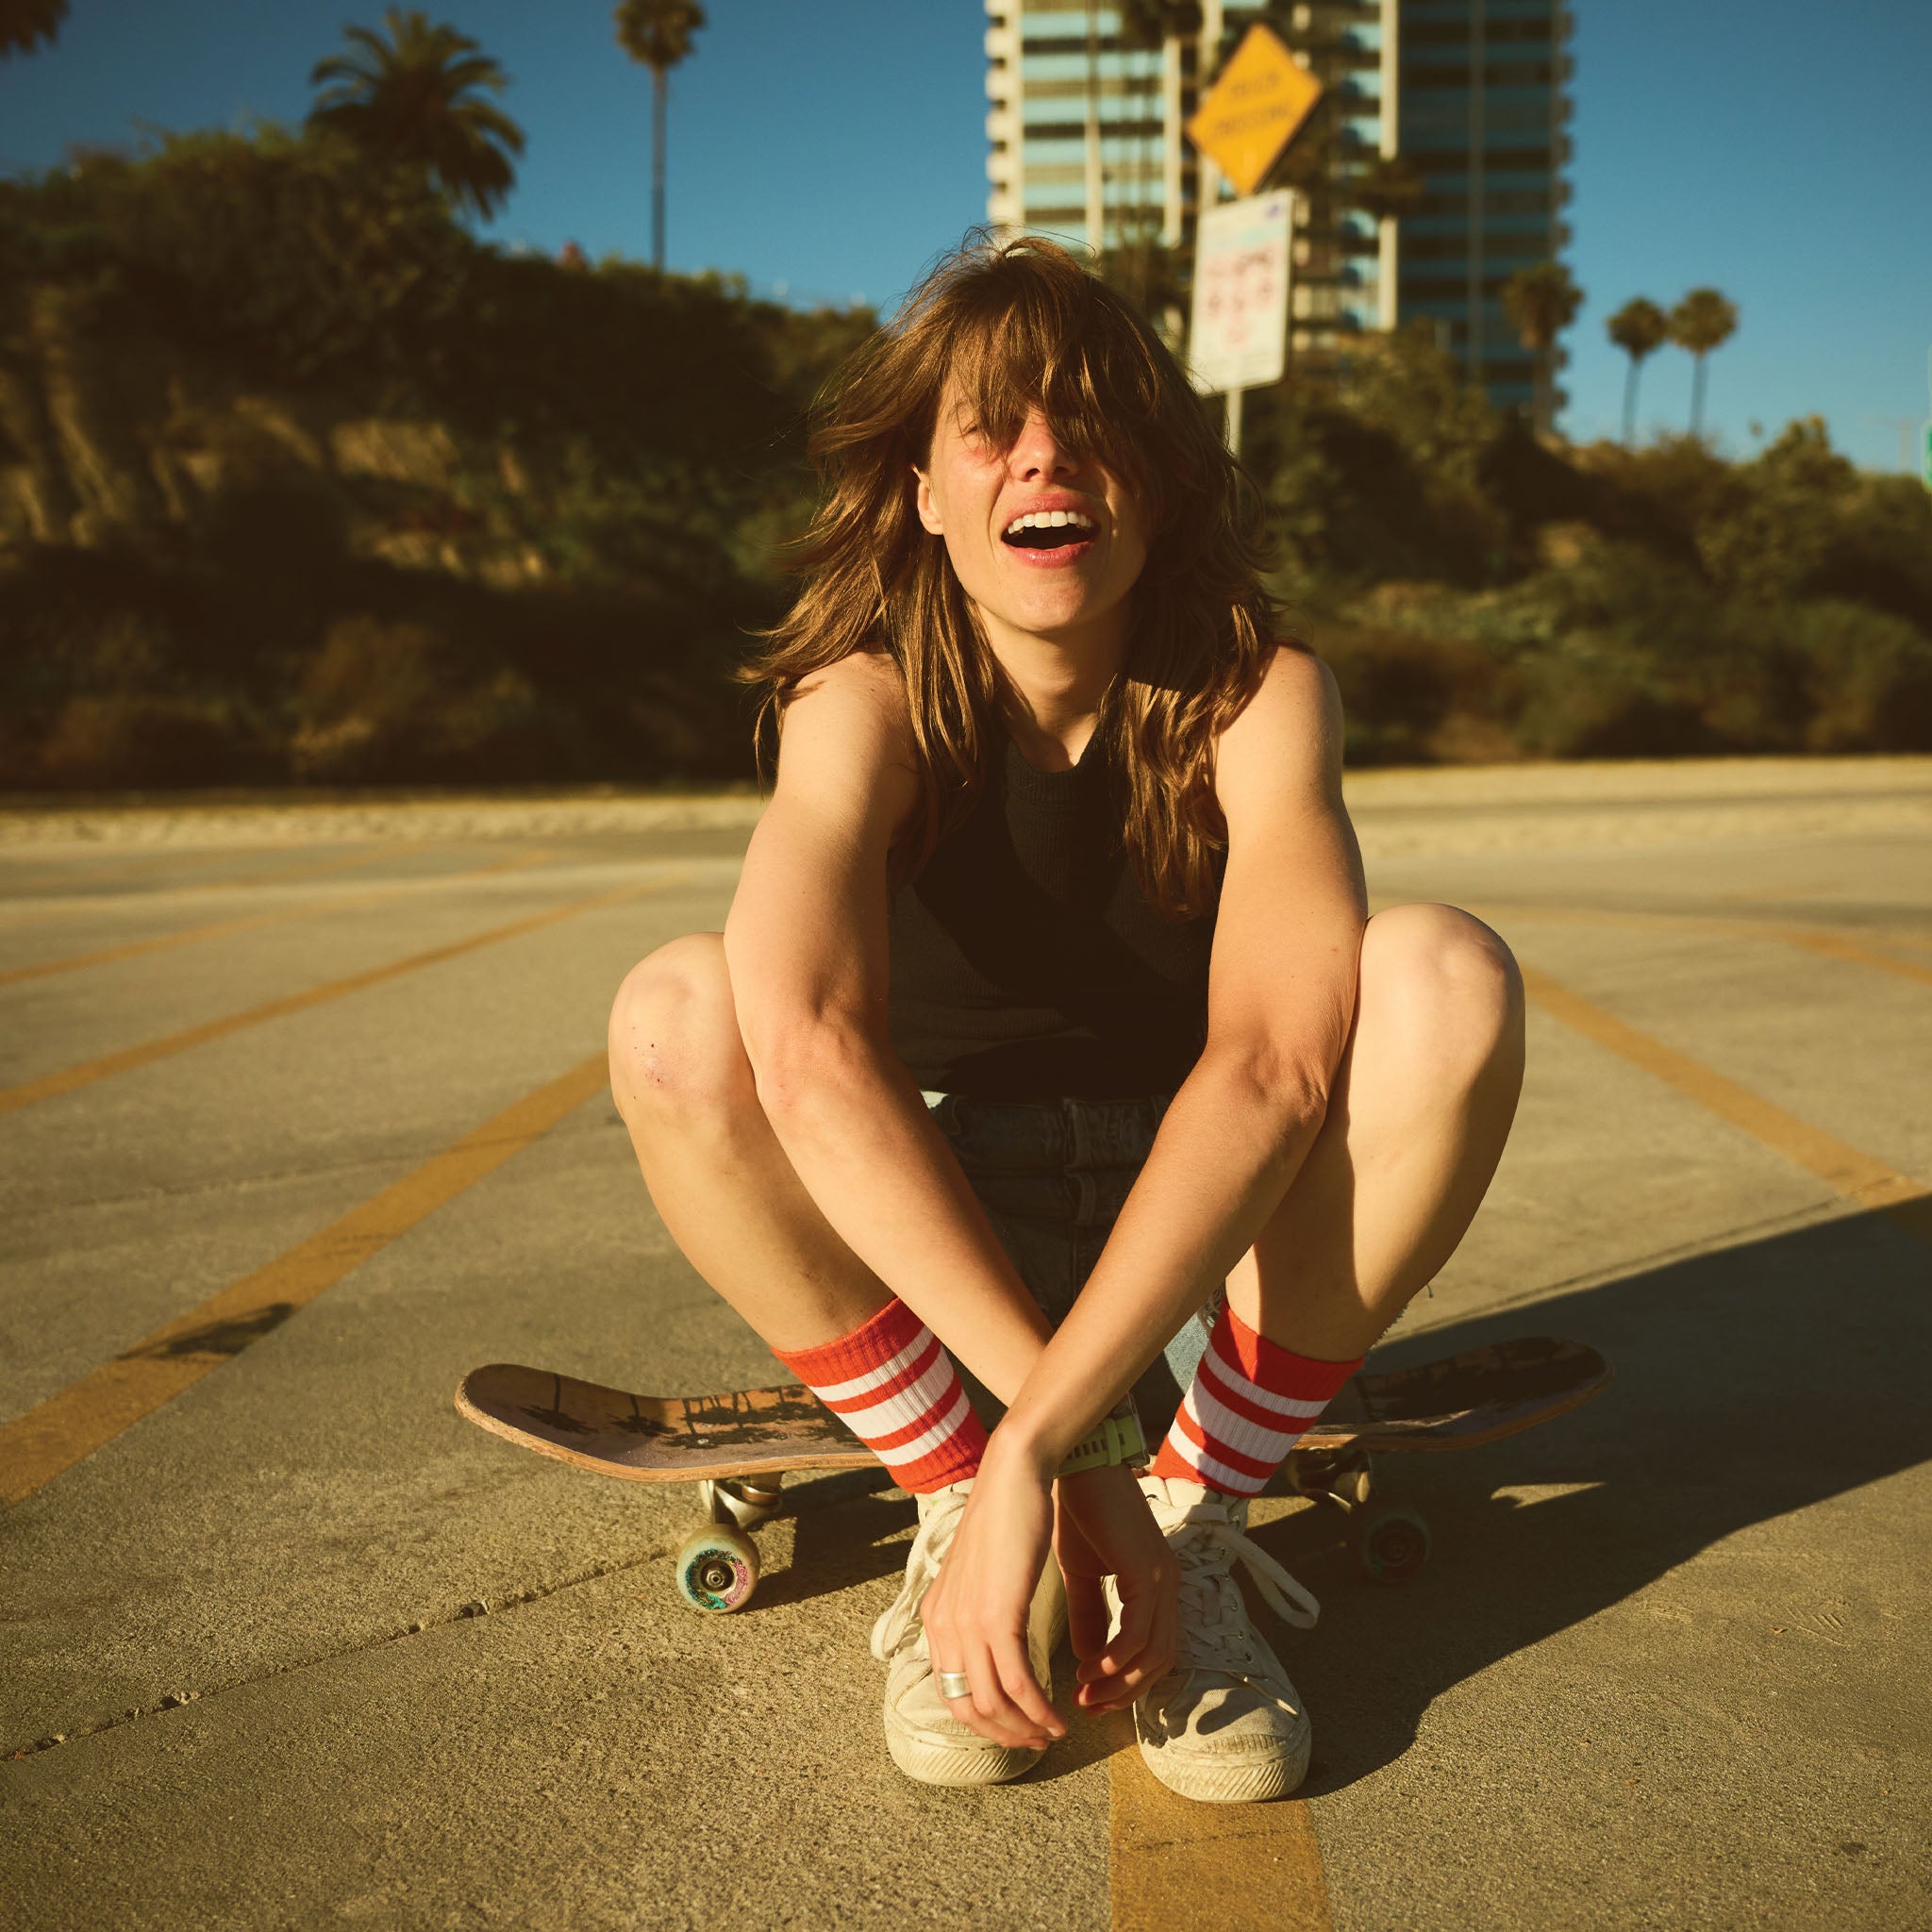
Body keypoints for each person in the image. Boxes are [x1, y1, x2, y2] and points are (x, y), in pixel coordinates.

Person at [608, 234, 1524, 1804]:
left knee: (1443, 972)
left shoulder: (1258, 691)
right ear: (923, 489)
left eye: (1094, 424)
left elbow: (1276, 1067)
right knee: (681, 1010)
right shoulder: (861, 697)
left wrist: (1085, 1464)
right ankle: (952, 1488)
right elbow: (811, 1045)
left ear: (1158, 488)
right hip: (946, 1233)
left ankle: (1198, 1507)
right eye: (994, 427)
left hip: (1199, 1236)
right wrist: (1031, 1461)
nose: (1047, 456)